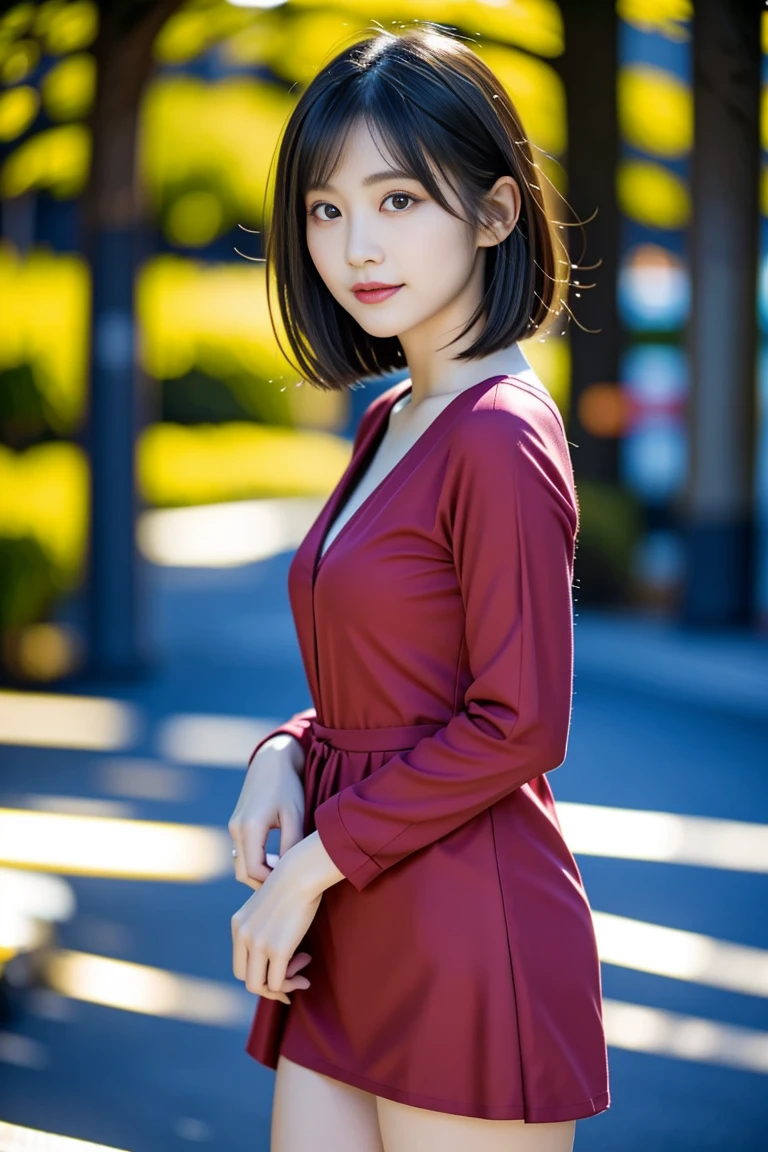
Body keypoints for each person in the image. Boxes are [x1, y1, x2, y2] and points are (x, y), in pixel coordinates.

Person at [229, 24, 609, 1152]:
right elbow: (393, 678)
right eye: (326, 208)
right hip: (351, 922)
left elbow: (521, 718)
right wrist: (286, 752)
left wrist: (306, 871)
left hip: (464, 932)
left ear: (494, 214)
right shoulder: (394, 416)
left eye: (398, 201)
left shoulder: (498, 436)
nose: (356, 246)